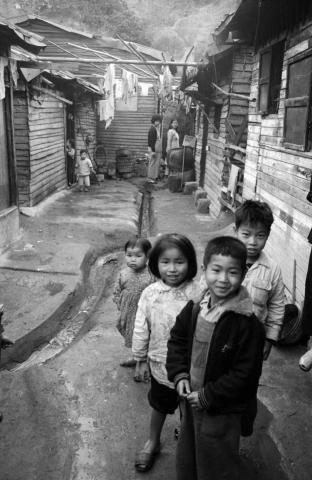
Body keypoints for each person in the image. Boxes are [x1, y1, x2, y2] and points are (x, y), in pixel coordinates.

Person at [166, 236, 265, 480]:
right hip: (189, 401)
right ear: (204, 270)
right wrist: (179, 374)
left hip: (221, 407)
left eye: (232, 272)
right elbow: (177, 340)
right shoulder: (196, 306)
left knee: (217, 457)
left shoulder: (247, 324)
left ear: (243, 274)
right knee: (190, 448)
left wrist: (209, 395)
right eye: (216, 270)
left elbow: (245, 374)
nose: (223, 279)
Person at [132, 233, 201, 473]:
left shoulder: (198, 292)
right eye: (165, 262)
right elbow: (141, 328)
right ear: (156, 264)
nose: (172, 269)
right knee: (159, 405)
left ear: (190, 263)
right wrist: (140, 359)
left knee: (188, 405)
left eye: (179, 262)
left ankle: (186, 436)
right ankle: (153, 441)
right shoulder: (150, 293)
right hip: (160, 365)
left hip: (189, 366)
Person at [234, 200, 285, 360]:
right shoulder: (223, 261)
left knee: (247, 379)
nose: (253, 242)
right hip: (221, 334)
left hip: (253, 340)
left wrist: (270, 338)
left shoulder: (273, 269)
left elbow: (277, 305)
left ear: (268, 235)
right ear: (236, 231)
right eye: (246, 234)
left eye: (260, 235)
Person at [113, 237, 153, 372]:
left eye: (138, 255)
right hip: (128, 313)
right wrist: (120, 304)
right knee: (131, 334)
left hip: (145, 315)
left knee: (145, 336)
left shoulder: (151, 274)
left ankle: (146, 361)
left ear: (148, 256)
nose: (133, 259)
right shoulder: (123, 273)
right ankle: (137, 357)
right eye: (129, 255)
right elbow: (117, 290)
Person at [147, 114, 162, 181]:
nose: (159, 123)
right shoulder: (152, 129)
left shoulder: (155, 128)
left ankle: (154, 177)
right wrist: (152, 151)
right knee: (152, 164)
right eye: (157, 121)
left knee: (155, 164)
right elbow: (151, 141)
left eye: (159, 121)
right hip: (154, 149)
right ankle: (150, 178)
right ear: (154, 121)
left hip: (157, 149)